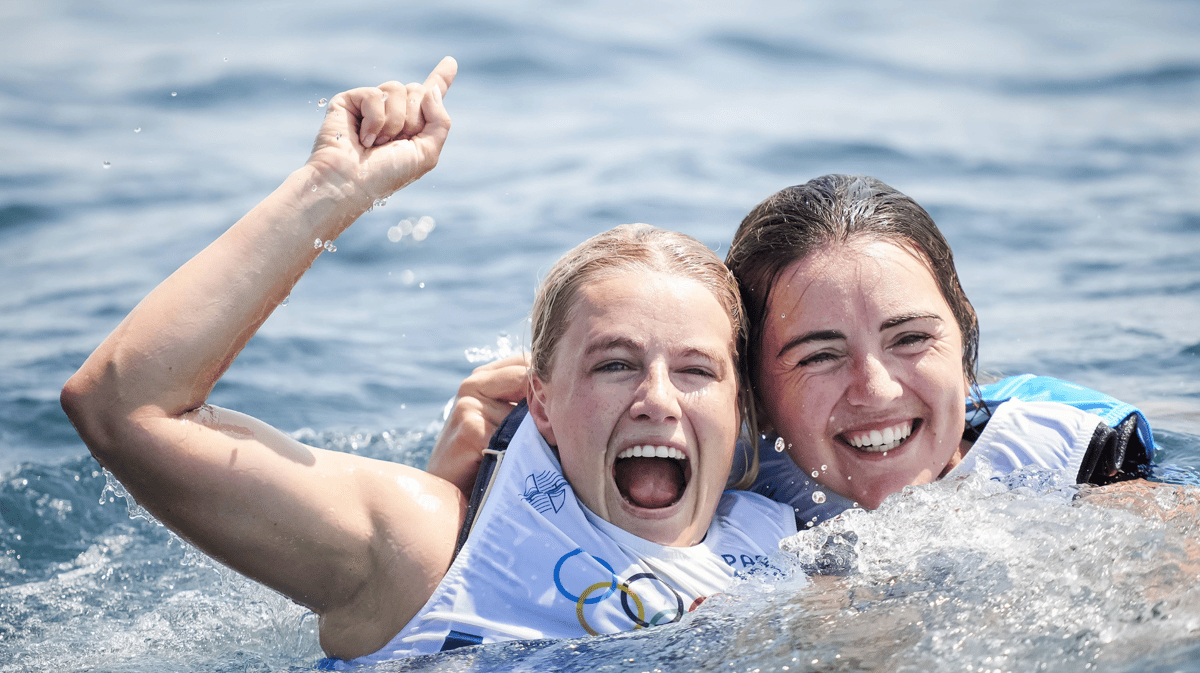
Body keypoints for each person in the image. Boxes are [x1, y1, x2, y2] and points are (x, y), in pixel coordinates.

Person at [60, 57, 795, 667]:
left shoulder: (788, 541)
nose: (658, 399)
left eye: (696, 370)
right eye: (614, 365)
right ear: (541, 401)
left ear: (740, 409)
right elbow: (125, 408)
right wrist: (330, 191)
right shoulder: (429, 549)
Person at [430, 176, 1156, 527]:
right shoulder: (696, 486)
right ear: (751, 394)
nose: (875, 387)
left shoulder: (1086, 465)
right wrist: (454, 500)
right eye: (818, 355)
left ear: (964, 347)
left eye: (910, 338)